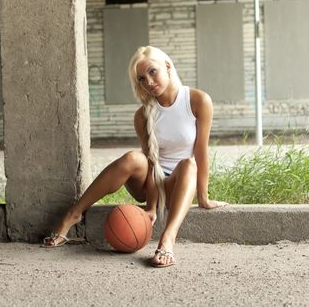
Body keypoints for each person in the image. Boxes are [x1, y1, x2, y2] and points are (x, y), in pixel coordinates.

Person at [43, 46, 228, 268]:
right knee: (133, 157)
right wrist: (151, 206)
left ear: (167, 67)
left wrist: (204, 197)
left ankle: (168, 239)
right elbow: (151, 162)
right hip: (149, 183)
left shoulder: (198, 100)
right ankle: (74, 213)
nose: (148, 82)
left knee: (189, 164)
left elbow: (201, 152)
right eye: (141, 78)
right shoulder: (142, 115)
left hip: (179, 184)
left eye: (152, 72)